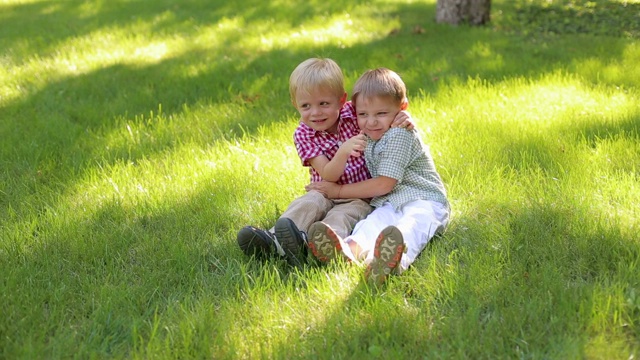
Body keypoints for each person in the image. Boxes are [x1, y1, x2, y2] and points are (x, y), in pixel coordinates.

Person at [237, 59, 412, 266]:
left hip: (359, 195)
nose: (316, 112)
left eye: (324, 104)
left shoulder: (354, 114)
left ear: (341, 100)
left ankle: (323, 246)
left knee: (342, 215)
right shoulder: (303, 134)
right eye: (306, 106)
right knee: (309, 203)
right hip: (325, 188)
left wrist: (405, 117)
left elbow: (382, 112)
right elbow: (329, 174)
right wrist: (343, 151)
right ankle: (276, 239)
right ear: (296, 105)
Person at [305, 67, 450, 285]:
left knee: (411, 226)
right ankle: (347, 252)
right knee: (372, 224)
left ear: (401, 109)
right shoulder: (368, 131)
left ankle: (388, 262)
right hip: (389, 202)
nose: (371, 121)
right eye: (363, 114)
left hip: (424, 200)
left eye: (381, 114)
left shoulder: (399, 133)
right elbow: (334, 112)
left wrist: (339, 191)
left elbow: (384, 184)